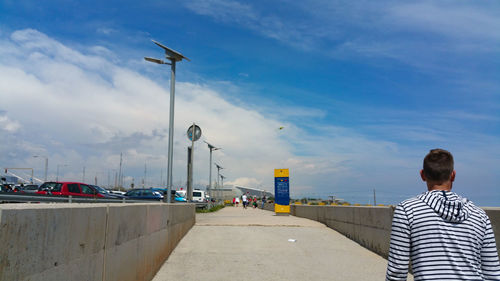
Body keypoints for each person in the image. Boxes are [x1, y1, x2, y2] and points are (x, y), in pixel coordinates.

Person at [386, 149, 500, 281]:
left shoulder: (407, 210)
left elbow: (397, 272)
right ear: (453, 175)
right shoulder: (480, 215)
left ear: (422, 175)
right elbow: (492, 273)